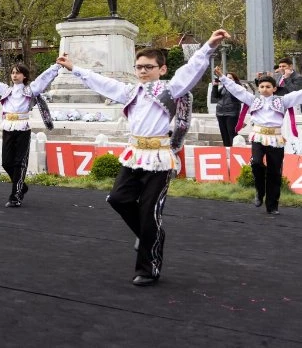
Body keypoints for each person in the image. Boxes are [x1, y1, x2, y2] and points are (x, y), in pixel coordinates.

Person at [56, 29, 229, 286]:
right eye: (138, 67)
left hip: (159, 158)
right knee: (118, 199)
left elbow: (191, 69)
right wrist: (73, 67)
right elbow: (102, 82)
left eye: (148, 67)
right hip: (135, 155)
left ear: (162, 69)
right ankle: (148, 233)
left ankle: (148, 269)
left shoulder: (171, 89)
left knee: (150, 213)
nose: (142, 71)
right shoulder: (130, 91)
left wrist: (209, 46)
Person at [0, 61, 60, 207]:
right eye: (13, 73)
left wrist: (56, 66)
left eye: (18, 73)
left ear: (24, 76)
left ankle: (15, 196)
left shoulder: (30, 90)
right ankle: (21, 186)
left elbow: (44, 78)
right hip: (8, 127)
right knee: (6, 162)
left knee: (19, 163)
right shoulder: (6, 90)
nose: (14, 75)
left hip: (23, 128)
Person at [215, 67, 302, 215]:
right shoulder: (253, 100)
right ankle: (259, 192)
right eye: (262, 87)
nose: (265, 89)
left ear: (274, 88)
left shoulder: (283, 101)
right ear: (258, 88)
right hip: (258, 137)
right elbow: (238, 90)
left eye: (268, 86)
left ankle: (272, 205)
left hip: (276, 138)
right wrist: (222, 77)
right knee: (256, 163)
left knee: (275, 172)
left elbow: (299, 94)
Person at [211, 72, 242, 147]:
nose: (228, 79)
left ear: (235, 80)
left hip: (232, 113)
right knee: (224, 133)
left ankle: (234, 150)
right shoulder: (223, 88)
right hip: (220, 113)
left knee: (232, 133)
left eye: (230, 78)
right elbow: (215, 96)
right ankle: (227, 150)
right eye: (227, 78)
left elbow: (236, 97)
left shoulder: (238, 87)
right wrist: (215, 86)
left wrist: (230, 85)